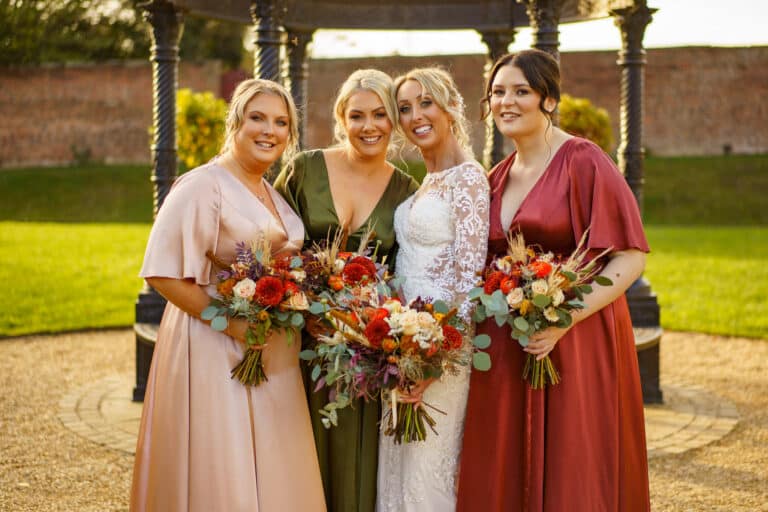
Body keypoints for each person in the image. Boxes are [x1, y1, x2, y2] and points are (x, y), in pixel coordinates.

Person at [457, 49, 651, 511]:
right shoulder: (497, 177)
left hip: (578, 339)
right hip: (510, 344)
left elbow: (629, 257)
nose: (507, 101)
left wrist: (567, 317)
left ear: (548, 99)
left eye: (521, 91)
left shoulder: (583, 161)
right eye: (498, 92)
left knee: (574, 461)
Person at [130, 78, 325, 512]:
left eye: (280, 122)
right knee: (224, 463)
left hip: (273, 350)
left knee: (274, 464)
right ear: (235, 122)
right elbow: (162, 274)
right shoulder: (203, 185)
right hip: (214, 348)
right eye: (257, 118)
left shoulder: (271, 192)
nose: (268, 131)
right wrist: (231, 321)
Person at [274, 69, 418, 512]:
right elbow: (273, 241)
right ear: (341, 118)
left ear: (393, 121)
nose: (369, 125)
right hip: (299, 340)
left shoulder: (407, 190)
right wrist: (302, 305)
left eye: (380, 114)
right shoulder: (304, 168)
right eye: (357, 115)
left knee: (358, 463)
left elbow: (404, 275)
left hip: (363, 352)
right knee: (294, 453)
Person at [375, 67, 489, 512]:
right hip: (400, 343)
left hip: (440, 349)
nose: (415, 115)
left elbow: (467, 279)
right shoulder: (425, 181)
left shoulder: (468, 179)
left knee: (427, 466)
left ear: (451, 107)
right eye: (404, 107)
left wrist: (434, 362)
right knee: (398, 463)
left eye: (426, 102)